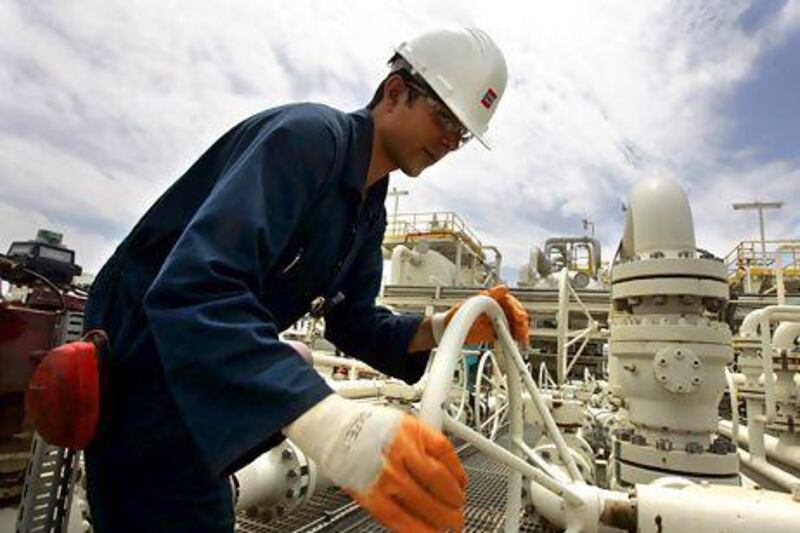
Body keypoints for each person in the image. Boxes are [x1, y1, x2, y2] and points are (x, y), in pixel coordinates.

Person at [82, 27, 526, 532]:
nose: (450, 141)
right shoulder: (307, 141)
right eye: (445, 117)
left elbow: (354, 322)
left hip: (202, 404)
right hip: (143, 382)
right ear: (396, 92)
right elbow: (196, 286)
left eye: (462, 134)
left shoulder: (367, 211)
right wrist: (332, 425)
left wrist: (445, 328)